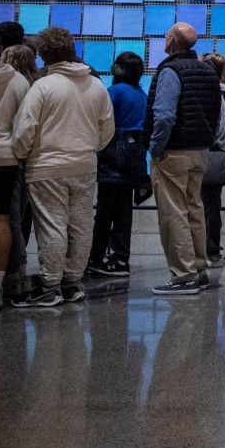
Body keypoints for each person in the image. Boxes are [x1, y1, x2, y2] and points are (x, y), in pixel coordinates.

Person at [9, 27, 113, 308]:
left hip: (47, 166)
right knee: (80, 225)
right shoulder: (96, 85)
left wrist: (21, 154)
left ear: (43, 54)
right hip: (85, 164)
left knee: (52, 225)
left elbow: (25, 129)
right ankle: (72, 282)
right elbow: (106, 130)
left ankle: (50, 284)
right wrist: (90, 148)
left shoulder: (44, 86)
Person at [146, 23, 222, 296]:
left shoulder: (170, 70)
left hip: (174, 151)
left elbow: (164, 115)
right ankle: (200, 269)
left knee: (173, 214)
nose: (164, 41)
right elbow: (217, 114)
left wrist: (155, 149)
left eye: (166, 36)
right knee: (194, 210)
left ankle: (183, 275)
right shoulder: (208, 70)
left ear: (173, 42)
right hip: (200, 150)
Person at [88, 51, 148, 278]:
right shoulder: (141, 94)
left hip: (112, 158)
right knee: (124, 212)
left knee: (104, 212)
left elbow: (101, 122)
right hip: (135, 159)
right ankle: (121, 258)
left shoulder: (113, 92)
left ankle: (95, 258)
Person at [0, 28, 33, 309]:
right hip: (4, 159)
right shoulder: (17, 80)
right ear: (0, 48)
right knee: (0, 221)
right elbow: (24, 122)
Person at [199, 52, 225, 268]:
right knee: (212, 205)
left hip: (207, 154)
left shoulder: (212, 94)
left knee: (204, 205)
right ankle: (211, 249)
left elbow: (213, 129)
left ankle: (209, 249)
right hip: (219, 157)